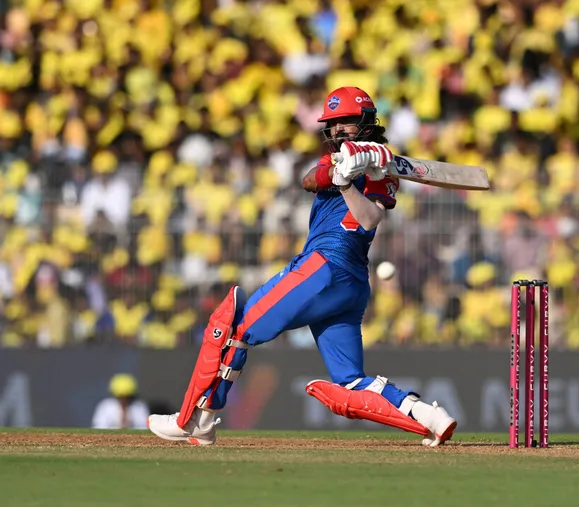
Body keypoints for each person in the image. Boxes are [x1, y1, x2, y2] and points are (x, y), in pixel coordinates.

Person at [147, 87, 457, 447]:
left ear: (366, 122)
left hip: (325, 268)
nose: (338, 129)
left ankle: (196, 420)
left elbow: (369, 220)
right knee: (351, 381)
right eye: (333, 123)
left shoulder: (383, 173)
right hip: (350, 284)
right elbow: (309, 179)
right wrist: (342, 168)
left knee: (236, 327)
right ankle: (429, 415)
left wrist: (348, 183)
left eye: (346, 122)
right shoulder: (337, 160)